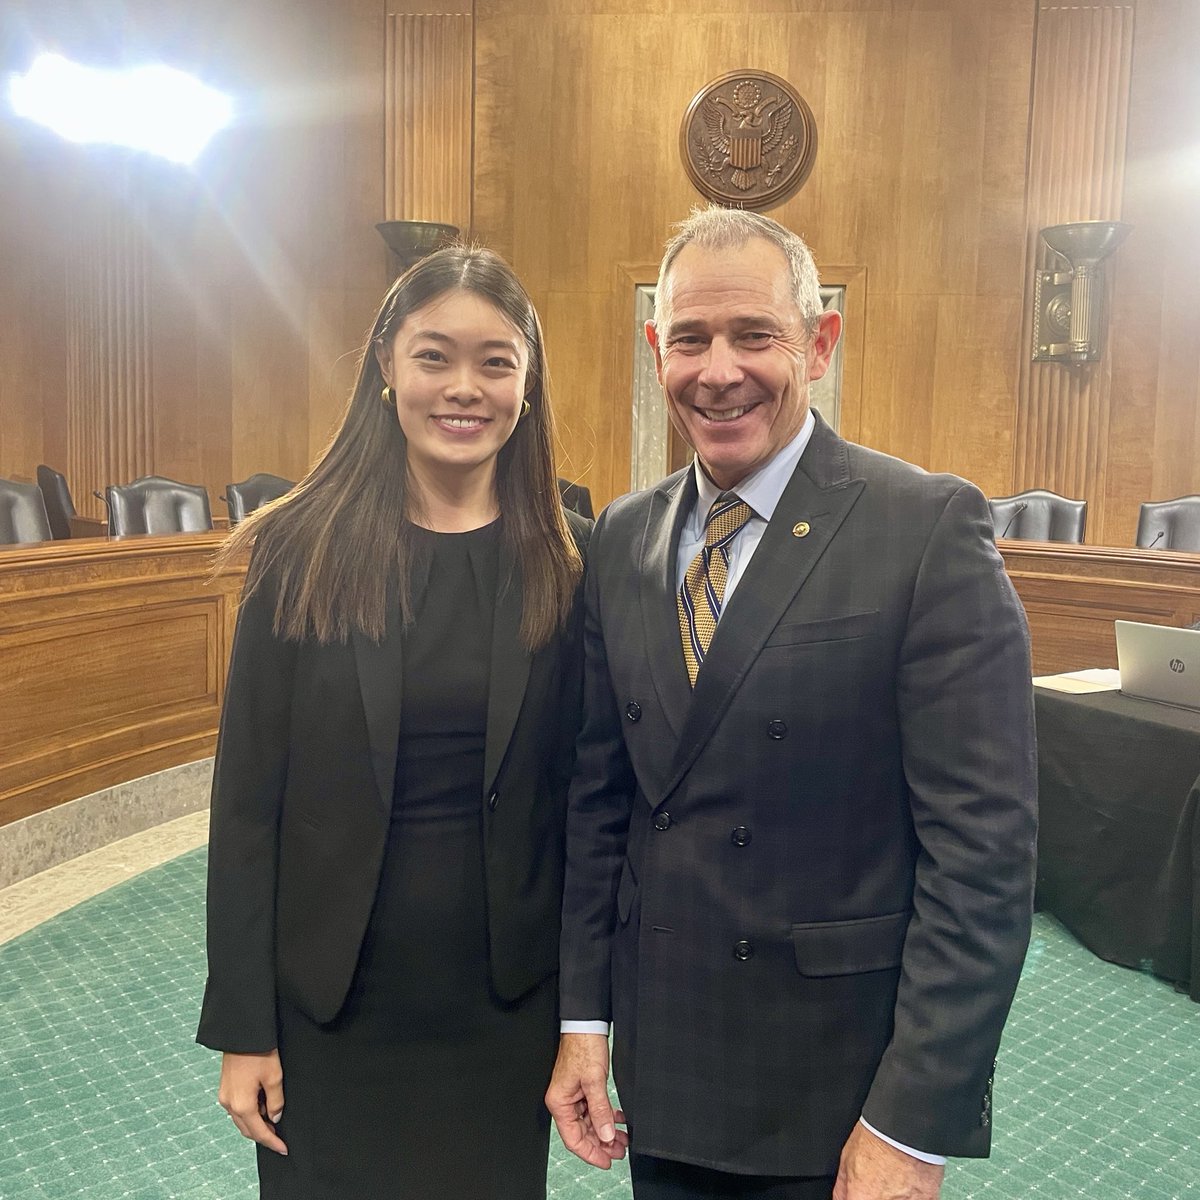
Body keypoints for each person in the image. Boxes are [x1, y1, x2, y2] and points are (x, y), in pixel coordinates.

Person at [546, 207, 1037, 1200]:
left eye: (753, 335)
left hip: (836, 1085)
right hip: (671, 1064)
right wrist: (586, 1022)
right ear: (656, 351)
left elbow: (981, 858)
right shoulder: (620, 542)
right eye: (689, 338)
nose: (717, 369)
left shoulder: (925, 529)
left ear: (819, 343)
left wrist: (911, 1121)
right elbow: (601, 806)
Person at [196, 246, 590, 1199]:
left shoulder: (572, 552)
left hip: (502, 1014)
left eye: (496, 361)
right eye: (434, 356)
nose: (465, 387)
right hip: (330, 1011)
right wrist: (245, 1025)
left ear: (528, 382)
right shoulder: (301, 548)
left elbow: (586, 806)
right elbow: (247, 805)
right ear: (385, 366)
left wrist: (588, 1020)